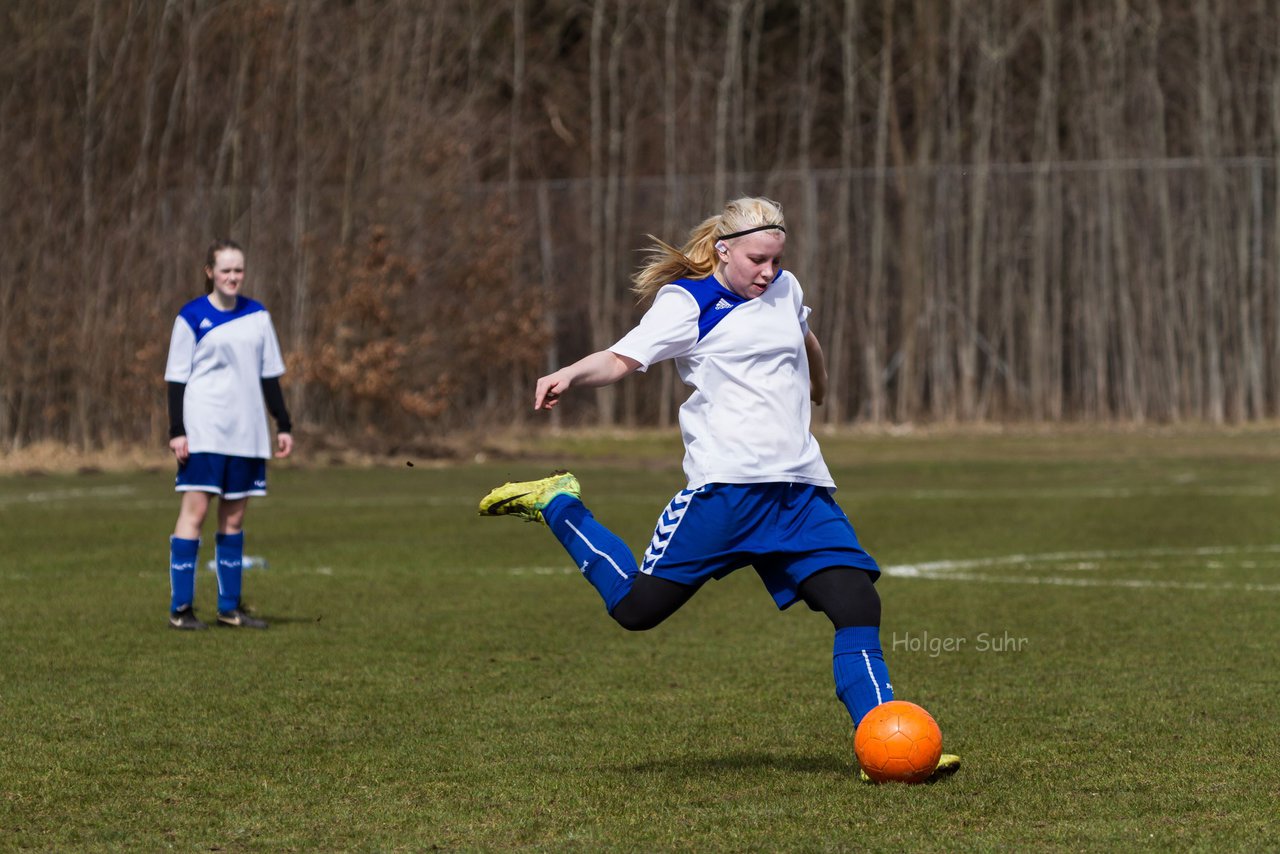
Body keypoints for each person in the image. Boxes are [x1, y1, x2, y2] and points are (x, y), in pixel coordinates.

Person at [478, 197, 958, 780]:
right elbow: (622, 359)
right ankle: (559, 503)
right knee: (636, 610)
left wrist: (820, 382)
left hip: (800, 492)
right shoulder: (687, 301)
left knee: (858, 604)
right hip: (726, 494)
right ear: (724, 250)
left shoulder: (785, 289)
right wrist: (570, 374)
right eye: (758, 260)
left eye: (777, 261)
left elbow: (804, 337)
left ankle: (884, 744)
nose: (769, 273)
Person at [163, 238, 293, 630]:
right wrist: (177, 430)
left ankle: (229, 609)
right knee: (196, 512)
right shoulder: (191, 316)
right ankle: (181, 609)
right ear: (210, 273)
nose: (233, 277)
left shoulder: (258, 315)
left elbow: (269, 375)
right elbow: (176, 377)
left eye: (238, 270)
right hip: (204, 430)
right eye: (225, 270)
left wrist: (282, 423)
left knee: (233, 518)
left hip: (247, 433)